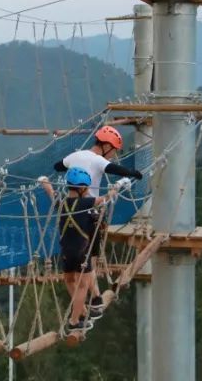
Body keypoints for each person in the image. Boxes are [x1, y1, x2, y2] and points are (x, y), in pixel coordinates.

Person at [53, 125, 142, 318]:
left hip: (69, 213)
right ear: (107, 146)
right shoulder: (98, 160)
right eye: (114, 151)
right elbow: (115, 169)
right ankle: (93, 302)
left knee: (77, 265)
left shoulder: (75, 156)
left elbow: (58, 166)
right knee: (89, 261)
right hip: (90, 214)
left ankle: (93, 300)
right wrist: (133, 173)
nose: (113, 155)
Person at [38, 167, 104, 332]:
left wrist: (44, 180)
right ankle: (75, 320)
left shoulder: (61, 203)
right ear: (82, 189)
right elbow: (104, 199)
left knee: (69, 280)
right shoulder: (86, 203)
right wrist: (118, 187)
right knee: (83, 285)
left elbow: (50, 191)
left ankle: (80, 312)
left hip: (66, 251)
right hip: (82, 252)